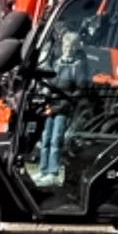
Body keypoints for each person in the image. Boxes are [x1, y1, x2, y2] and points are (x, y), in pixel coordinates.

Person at [37, 31, 87, 184]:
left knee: (56, 140)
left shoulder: (77, 66)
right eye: (66, 46)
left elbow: (80, 88)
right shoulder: (57, 63)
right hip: (50, 105)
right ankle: (43, 170)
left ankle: (53, 172)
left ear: (76, 48)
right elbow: (50, 83)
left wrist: (66, 103)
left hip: (63, 107)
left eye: (72, 46)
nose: (68, 49)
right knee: (45, 139)